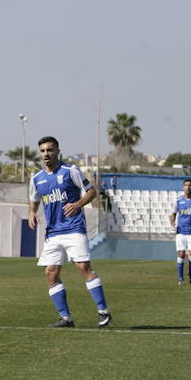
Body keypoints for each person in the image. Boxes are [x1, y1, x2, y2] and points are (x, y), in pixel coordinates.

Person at [28, 136, 112, 328]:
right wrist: (32, 212)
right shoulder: (36, 179)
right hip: (53, 233)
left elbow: (91, 191)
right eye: (42, 151)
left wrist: (78, 204)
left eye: (50, 150)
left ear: (57, 151)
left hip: (74, 228)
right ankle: (66, 318)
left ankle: (103, 311)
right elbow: (34, 199)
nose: (46, 154)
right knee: (50, 273)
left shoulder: (70, 171)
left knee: (83, 267)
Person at [169, 179, 191, 285]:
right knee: (181, 254)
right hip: (181, 231)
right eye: (186, 185)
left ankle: (189, 272)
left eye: (190, 185)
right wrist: (172, 223)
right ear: (183, 187)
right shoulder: (178, 200)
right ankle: (181, 279)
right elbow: (173, 213)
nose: (188, 187)